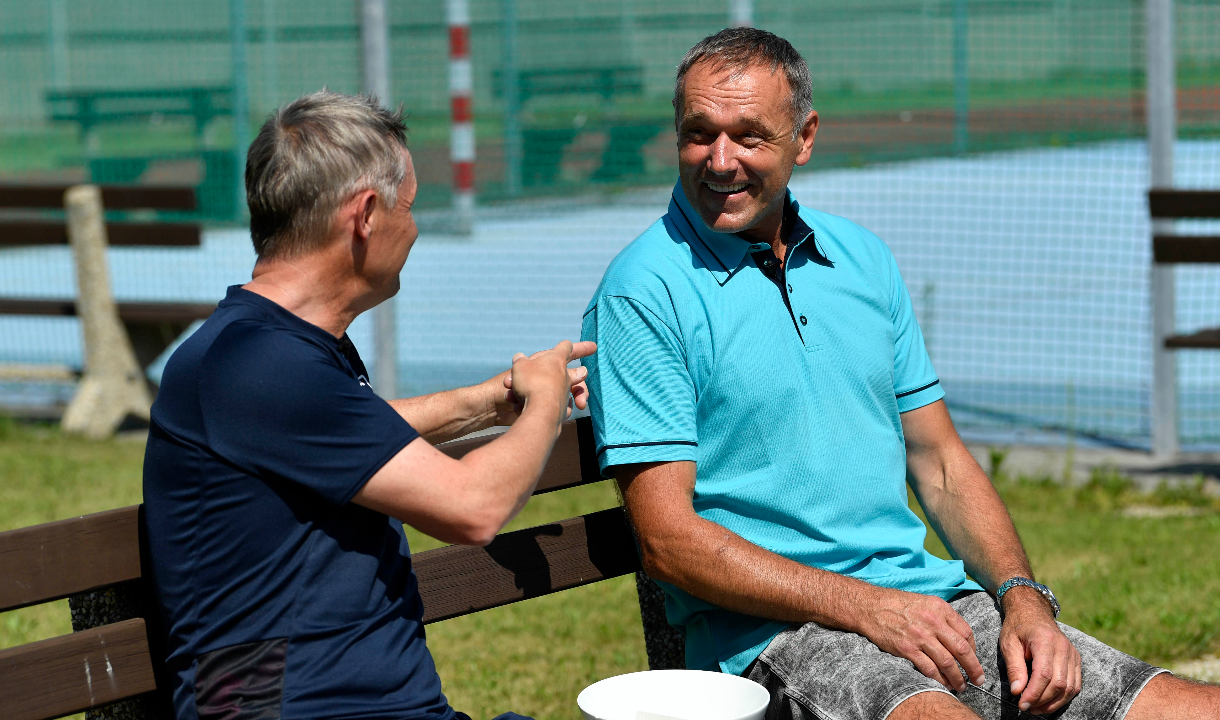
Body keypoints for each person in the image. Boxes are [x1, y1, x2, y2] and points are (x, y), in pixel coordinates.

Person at [580, 28, 1219, 720]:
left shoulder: (863, 260)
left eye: (750, 136)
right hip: (774, 637)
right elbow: (669, 543)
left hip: (928, 606)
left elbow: (940, 463)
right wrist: (870, 608)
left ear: (805, 137)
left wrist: (1023, 597)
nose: (721, 160)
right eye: (700, 134)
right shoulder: (642, 293)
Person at [143, 91, 594, 720]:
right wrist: (546, 400)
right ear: (366, 214)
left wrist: (484, 403)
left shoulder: (271, 351)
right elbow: (474, 510)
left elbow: (340, 435)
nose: (413, 229)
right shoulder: (255, 365)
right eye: (409, 208)